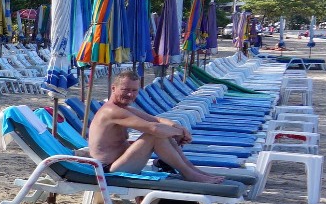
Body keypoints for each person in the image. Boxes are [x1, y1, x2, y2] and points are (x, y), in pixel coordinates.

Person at [85, 69, 224, 184]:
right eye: (125, 89)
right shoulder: (110, 111)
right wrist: (177, 133)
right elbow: (154, 128)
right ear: (113, 88)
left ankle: (193, 171)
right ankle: (189, 173)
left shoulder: (123, 108)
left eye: (134, 90)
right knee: (154, 135)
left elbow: (157, 119)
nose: (130, 94)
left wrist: (180, 128)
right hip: (108, 170)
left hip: (120, 163)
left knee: (161, 132)